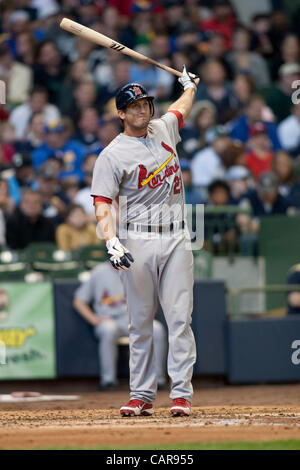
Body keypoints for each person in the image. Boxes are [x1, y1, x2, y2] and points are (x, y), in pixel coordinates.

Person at [91, 69, 198, 417]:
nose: (142, 110)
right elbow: (102, 202)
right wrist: (111, 241)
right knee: (140, 322)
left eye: (146, 104)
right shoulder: (112, 154)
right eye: (134, 106)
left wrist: (189, 86)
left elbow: (181, 108)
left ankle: (181, 394)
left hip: (178, 235)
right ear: (120, 113)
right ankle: (141, 395)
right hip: (138, 237)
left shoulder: (163, 129)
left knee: (180, 319)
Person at [73, 261, 167, 391]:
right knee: (108, 330)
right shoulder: (99, 271)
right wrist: (94, 319)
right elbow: (79, 300)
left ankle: (158, 379)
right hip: (110, 320)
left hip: (135, 318)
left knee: (157, 329)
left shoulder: (138, 270)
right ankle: (108, 380)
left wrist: (147, 316)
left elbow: (152, 299)